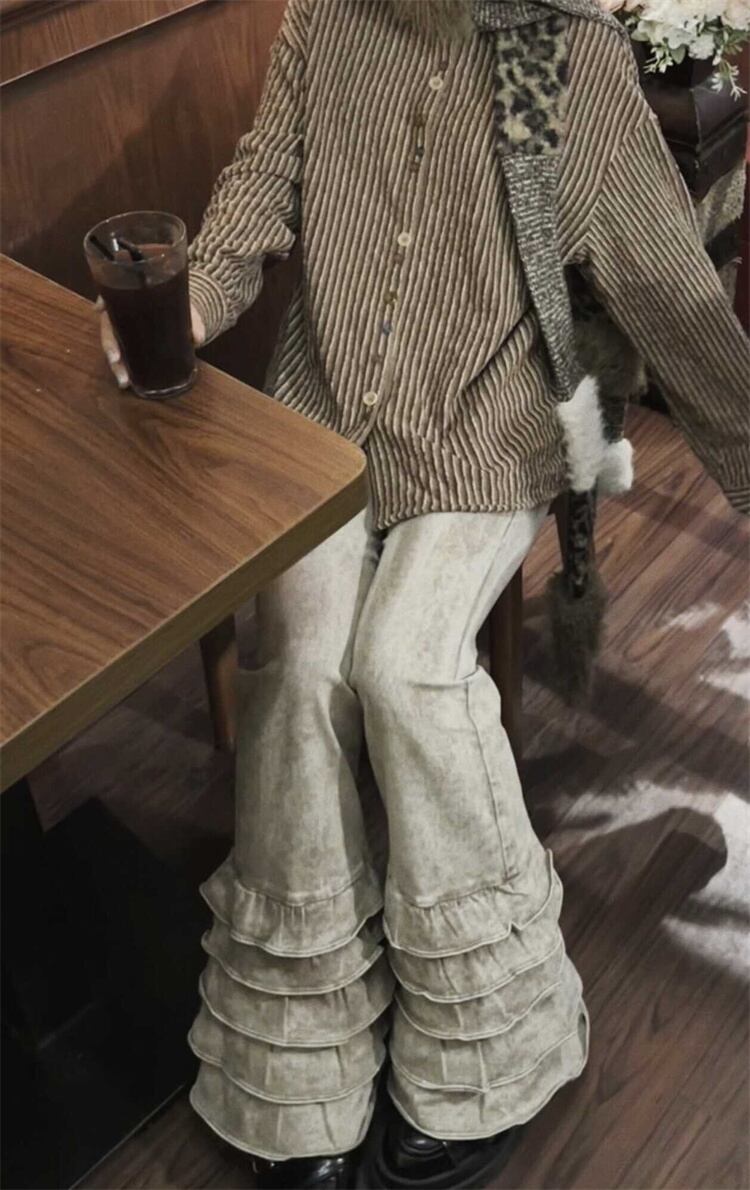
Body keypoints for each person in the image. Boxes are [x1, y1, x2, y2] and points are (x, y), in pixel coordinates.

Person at [100, 0, 749, 1185]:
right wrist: (187, 299)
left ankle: (492, 1045)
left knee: (405, 668)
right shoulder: (323, 22)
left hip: (488, 434)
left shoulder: (570, 60)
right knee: (300, 662)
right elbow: (254, 199)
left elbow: (675, 302)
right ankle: (300, 1058)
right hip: (320, 419)